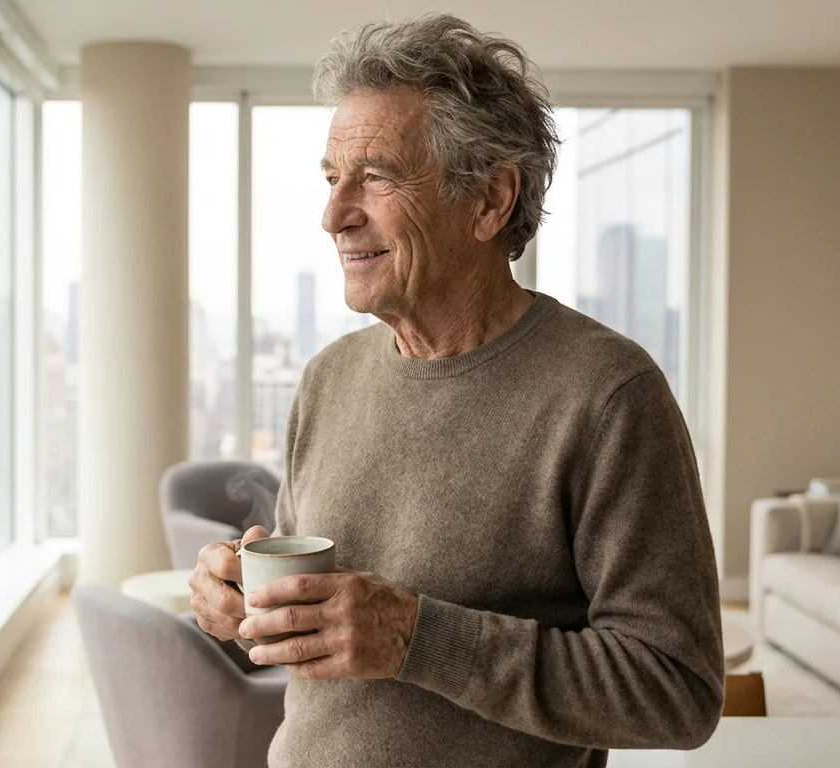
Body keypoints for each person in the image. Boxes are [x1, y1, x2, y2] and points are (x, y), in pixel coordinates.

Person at [188, 13, 723, 767]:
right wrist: (240, 608)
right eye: (332, 178)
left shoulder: (608, 396)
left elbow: (677, 692)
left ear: (489, 201)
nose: (335, 214)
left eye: (375, 177)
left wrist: (415, 637)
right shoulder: (327, 379)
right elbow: (315, 637)